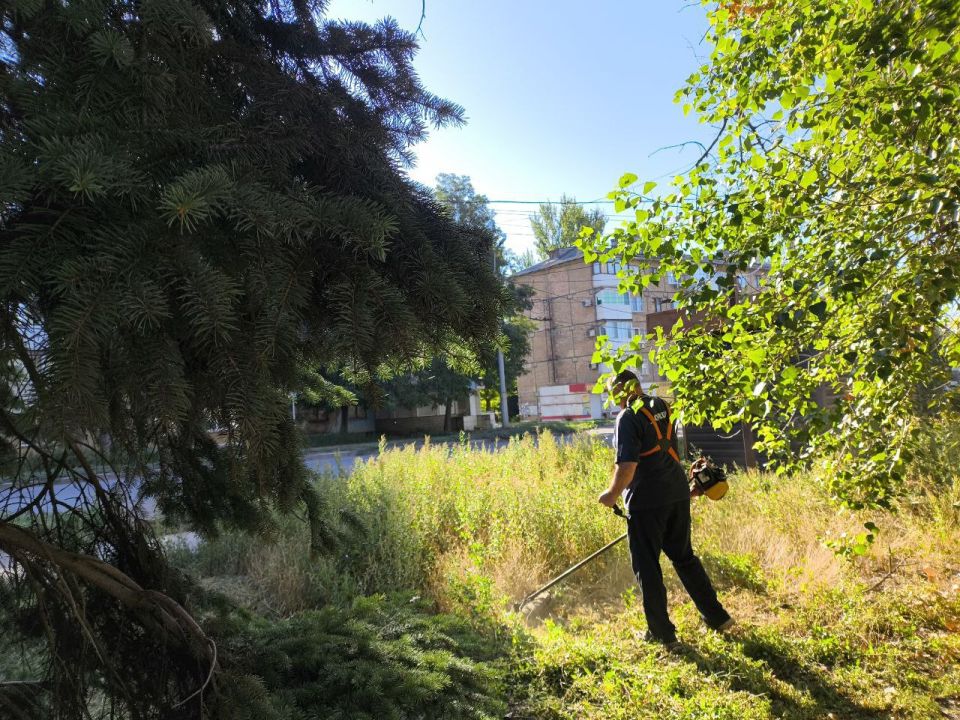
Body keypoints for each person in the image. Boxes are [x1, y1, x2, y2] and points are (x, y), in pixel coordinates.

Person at [598, 369, 733, 647]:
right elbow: (667, 450)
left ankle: (662, 633)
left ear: (622, 391)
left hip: (648, 502)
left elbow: (627, 465)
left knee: (647, 567)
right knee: (684, 558)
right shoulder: (660, 405)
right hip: (677, 494)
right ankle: (718, 617)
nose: (613, 399)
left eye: (614, 392)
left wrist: (611, 494)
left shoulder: (627, 417)